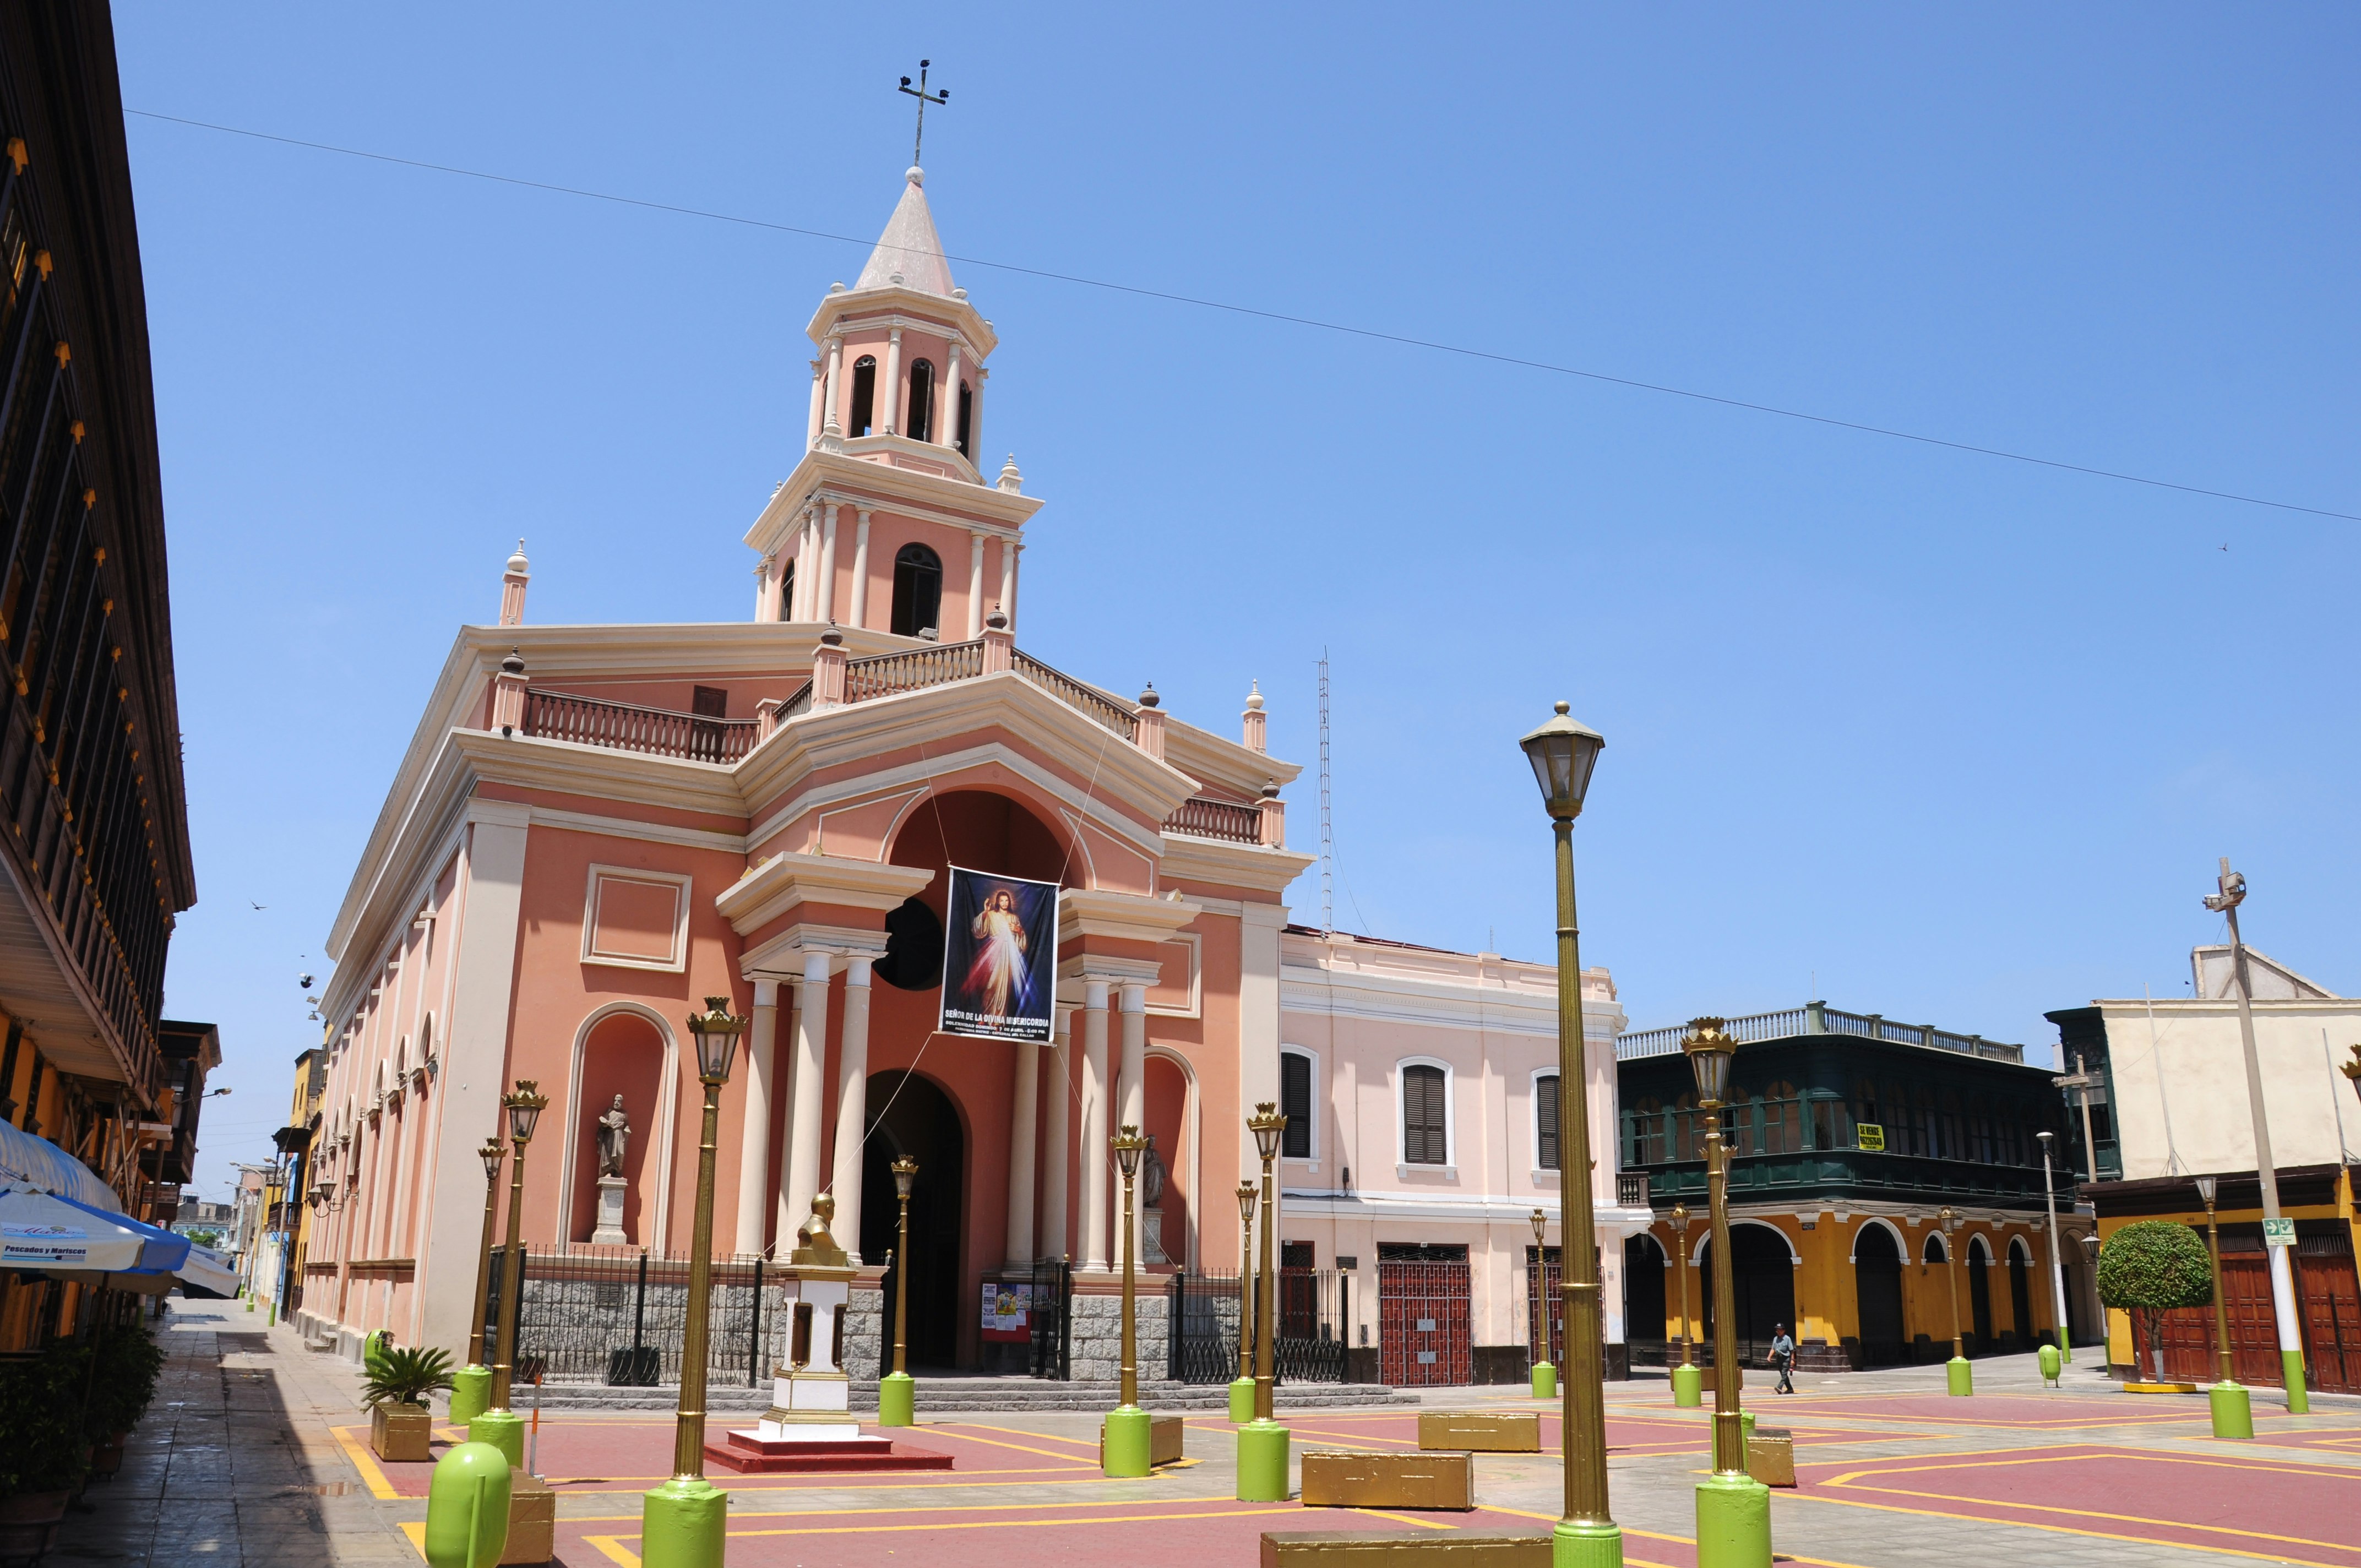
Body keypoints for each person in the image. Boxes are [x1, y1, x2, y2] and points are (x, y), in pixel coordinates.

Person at [964, 886, 1032, 1023]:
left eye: (1007, 901)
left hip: (1009, 953)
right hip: (994, 951)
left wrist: (1019, 931)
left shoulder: (1014, 918)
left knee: (1004, 987)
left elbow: (1022, 943)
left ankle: (998, 1019)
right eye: (1002, 901)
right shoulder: (991, 915)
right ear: (998, 902)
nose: (1005, 903)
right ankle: (986, 1014)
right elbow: (979, 930)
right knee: (991, 984)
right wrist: (985, 912)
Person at [1770, 1322, 1796, 1394]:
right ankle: (1790, 1389)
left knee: (1784, 1374)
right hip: (1779, 1358)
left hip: (1786, 1359)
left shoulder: (1787, 1339)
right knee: (1783, 1374)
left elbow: (1792, 1350)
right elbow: (1773, 1349)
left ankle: (1779, 1387)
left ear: (1784, 1331)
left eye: (1780, 1330)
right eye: (1777, 1330)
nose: (1778, 1332)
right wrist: (1769, 1357)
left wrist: (1793, 1360)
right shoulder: (1775, 1339)